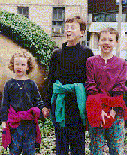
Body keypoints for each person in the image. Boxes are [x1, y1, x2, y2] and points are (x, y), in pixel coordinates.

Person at [42, 16, 94, 155]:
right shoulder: (56, 54)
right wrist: (46, 104)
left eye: (72, 27)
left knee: (78, 145)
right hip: (60, 104)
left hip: (78, 104)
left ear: (82, 32)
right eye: (67, 28)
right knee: (61, 144)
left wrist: (91, 103)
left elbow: (91, 80)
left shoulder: (87, 53)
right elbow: (51, 79)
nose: (68, 30)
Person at [85, 27, 127, 155]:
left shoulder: (122, 63)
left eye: (110, 40)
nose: (106, 43)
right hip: (96, 110)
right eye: (103, 39)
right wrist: (100, 110)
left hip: (116, 112)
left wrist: (112, 111)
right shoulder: (91, 62)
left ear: (116, 42)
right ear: (98, 42)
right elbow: (91, 86)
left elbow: (120, 88)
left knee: (116, 148)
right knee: (96, 149)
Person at [0, 51, 44, 155]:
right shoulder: (9, 84)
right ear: (12, 65)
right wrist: (3, 121)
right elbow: (4, 104)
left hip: (29, 123)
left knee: (29, 149)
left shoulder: (31, 84)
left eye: (23, 64)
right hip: (14, 123)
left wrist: (43, 109)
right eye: (17, 64)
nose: (19, 67)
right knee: (15, 149)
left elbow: (38, 100)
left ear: (28, 67)